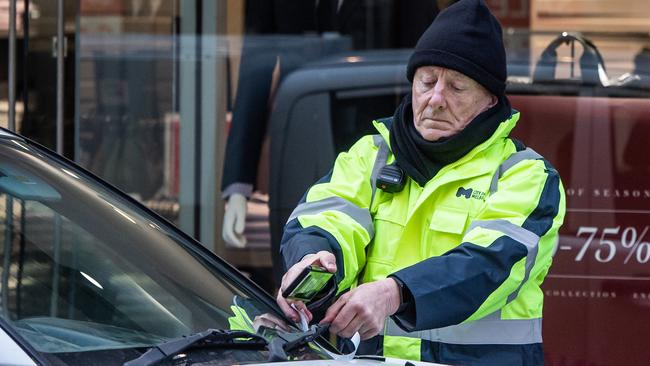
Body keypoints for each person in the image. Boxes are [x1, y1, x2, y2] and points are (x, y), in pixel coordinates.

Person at [276, 0, 566, 364]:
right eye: (427, 81)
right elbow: (329, 216)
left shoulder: (524, 175)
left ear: (490, 101)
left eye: (457, 87)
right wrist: (314, 260)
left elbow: (487, 264)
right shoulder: (372, 154)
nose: (436, 99)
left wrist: (394, 293)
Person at [221, 0, 442, 287]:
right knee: (298, 271)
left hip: (381, 150)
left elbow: (424, 64)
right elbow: (256, 67)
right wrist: (239, 183)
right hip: (300, 139)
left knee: (370, 275)